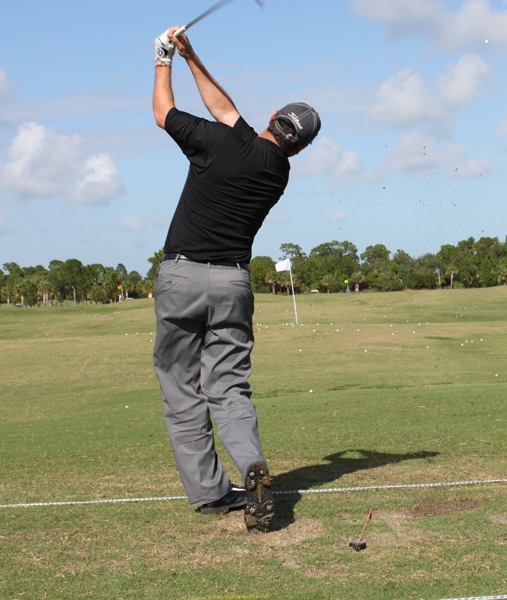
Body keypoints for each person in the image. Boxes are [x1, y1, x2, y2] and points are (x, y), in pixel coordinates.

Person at [151, 26, 321, 533]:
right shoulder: (276, 171)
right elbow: (226, 110)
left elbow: (164, 112)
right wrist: (191, 56)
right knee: (228, 386)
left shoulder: (220, 141)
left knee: (182, 388)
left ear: (271, 118)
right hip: (232, 285)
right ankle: (250, 463)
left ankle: (210, 492)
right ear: (300, 148)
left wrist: (163, 59)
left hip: (180, 276)